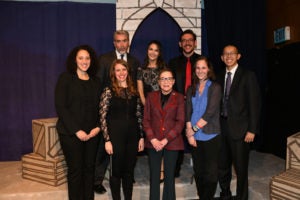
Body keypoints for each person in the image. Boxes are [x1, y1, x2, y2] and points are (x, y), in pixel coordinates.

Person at [94, 30, 140, 194]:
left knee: (126, 162)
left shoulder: (134, 61)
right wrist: (100, 111)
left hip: (128, 116)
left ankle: (126, 175)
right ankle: (97, 180)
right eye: (118, 41)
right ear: (114, 43)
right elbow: (98, 84)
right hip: (110, 112)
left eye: (124, 41)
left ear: (128, 42)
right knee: (104, 151)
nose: (121, 44)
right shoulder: (105, 59)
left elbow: (136, 87)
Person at [54, 44, 101, 200]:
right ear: (74, 60)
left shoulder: (96, 81)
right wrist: (76, 131)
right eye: (81, 58)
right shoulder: (65, 78)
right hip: (71, 134)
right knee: (76, 171)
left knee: (89, 170)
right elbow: (61, 107)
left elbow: (101, 108)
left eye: (87, 58)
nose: (84, 61)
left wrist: (98, 128)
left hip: (92, 134)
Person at [216, 44, 261, 200]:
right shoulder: (218, 75)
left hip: (241, 130)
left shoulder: (248, 75)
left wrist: (252, 130)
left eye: (232, 53)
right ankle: (225, 193)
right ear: (222, 57)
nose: (228, 56)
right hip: (221, 128)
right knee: (222, 166)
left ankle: (242, 197)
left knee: (241, 168)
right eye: (225, 54)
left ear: (238, 56)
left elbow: (254, 105)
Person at [99, 59, 144, 200]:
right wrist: (107, 140)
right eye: (118, 70)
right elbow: (102, 117)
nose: (121, 73)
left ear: (128, 71)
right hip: (115, 137)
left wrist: (141, 137)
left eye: (123, 69)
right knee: (116, 172)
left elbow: (138, 115)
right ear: (113, 72)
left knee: (129, 172)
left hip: (132, 137)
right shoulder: (108, 91)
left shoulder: (133, 91)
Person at [143, 68, 185, 200]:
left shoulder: (179, 98)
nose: (166, 82)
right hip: (153, 142)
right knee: (154, 177)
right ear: (159, 82)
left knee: (169, 177)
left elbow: (180, 122)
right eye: (163, 79)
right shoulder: (151, 96)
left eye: (169, 79)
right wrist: (153, 139)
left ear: (173, 81)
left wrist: (166, 139)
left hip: (172, 142)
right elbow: (146, 120)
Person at [185, 56, 222, 199]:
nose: (200, 71)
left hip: (211, 135)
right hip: (194, 136)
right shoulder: (191, 88)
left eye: (203, 68)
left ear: (209, 70)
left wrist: (192, 130)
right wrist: (190, 134)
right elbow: (188, 110)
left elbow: (211, 112)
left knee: (211, 173)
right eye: (198, 68)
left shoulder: (215, 87)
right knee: (198, 171)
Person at [168, 29, 201, 177]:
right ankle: (174, 170)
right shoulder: (173, 63)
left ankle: (200, 169)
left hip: (198, 106)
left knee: (198, 137)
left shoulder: (202, 62)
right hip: (178, 106)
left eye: (190, 40)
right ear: (180, 44)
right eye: (184, 40)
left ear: (195, 43)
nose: (187, 43)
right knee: (176, 138)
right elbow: (169, 85)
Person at [137, 40, 167, 182]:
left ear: (159, 53)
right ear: (147, 51)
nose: (153, 52)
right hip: (147, 110)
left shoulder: (163, 69)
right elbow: (141, 93)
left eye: (156, 50)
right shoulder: (140, 70)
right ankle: (154, 169)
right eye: (151, 49)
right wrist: (149, 108)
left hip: (163, 110)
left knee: (161, 139)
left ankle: (161, 170)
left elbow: (167, 89)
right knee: (151, 140)